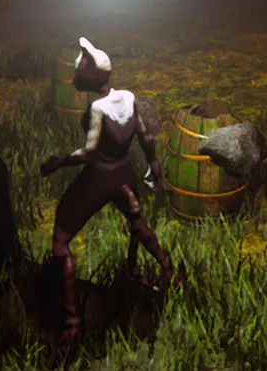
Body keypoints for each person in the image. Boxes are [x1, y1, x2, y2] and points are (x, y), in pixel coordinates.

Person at [40, 37, 176, 345]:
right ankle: (168, 272)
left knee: (61, 239)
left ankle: (73, 322)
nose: (75, 72)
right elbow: (144, 135)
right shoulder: (128, 97)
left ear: (89, 74)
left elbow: (89, 152)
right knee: (138, 222)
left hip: (99, 177)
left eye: (79, 68)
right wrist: (153, 162)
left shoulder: (97, 109)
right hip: (124, 174)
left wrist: (58, 162)